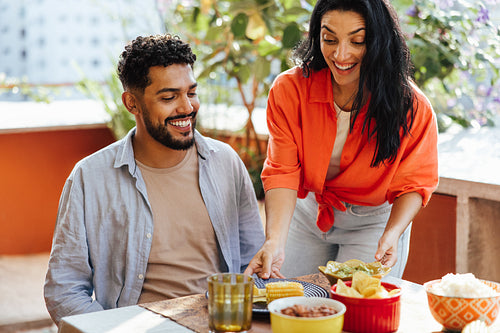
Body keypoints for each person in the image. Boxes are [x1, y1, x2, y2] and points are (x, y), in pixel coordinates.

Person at [44, 34, 265, 325]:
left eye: (191, 92)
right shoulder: (89, 178)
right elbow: (64, 288)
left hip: (219, 323)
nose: (186, 107)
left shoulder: (226, 162)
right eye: (169, 97)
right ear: (132, 103)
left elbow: (253, 266)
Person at [244, 0, 438, 280]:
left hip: (374, 222)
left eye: (357, 41)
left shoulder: (412, 106)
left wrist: (393, 233)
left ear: (379, 41)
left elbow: (415, 182)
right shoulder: (289, 90)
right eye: (329, 39)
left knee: (355, 314)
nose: (341, 54)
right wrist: (274, 239)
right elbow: (283, 172)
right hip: (307, 212)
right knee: (289, 307)